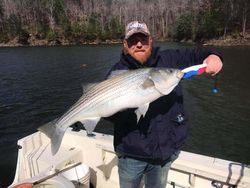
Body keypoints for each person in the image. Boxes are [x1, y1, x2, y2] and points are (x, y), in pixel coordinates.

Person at [106, 21, 223, 188]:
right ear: (125, 44)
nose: (139, 44)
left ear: (151, 41)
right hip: (131, 154)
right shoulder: (115, 74)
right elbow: (108, 116)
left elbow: (197, 54)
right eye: (133, 40)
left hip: (165, 152)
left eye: (143, 39)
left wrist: (214, 55)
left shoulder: (170, 59)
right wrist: (122, 107)